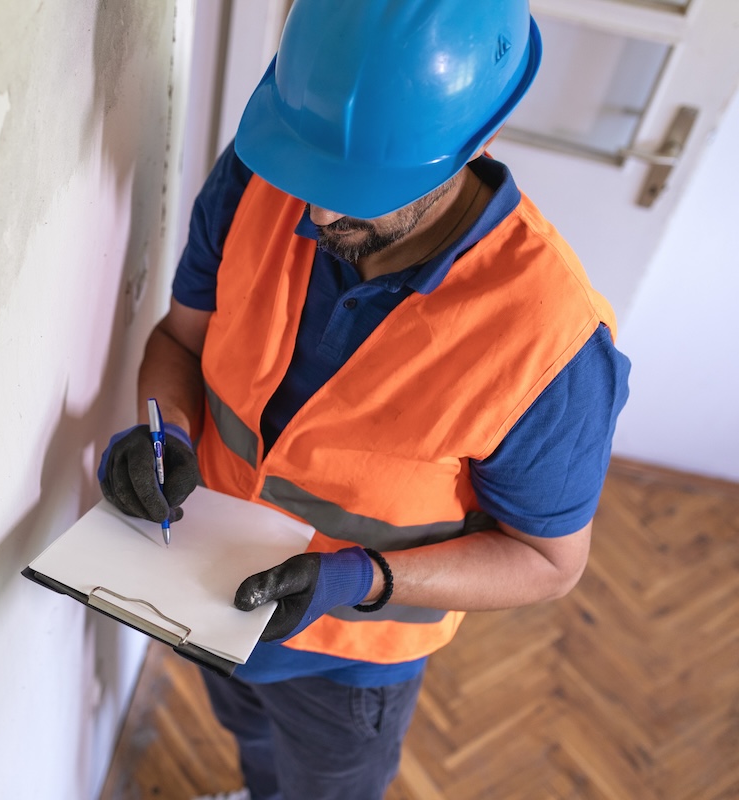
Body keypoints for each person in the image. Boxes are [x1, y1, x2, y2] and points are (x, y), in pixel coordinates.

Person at [97, 1, 631, 798]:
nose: (314, 212)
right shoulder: (264, 172)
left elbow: (547, 563)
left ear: (471, 143)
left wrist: (360, 581)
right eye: (310, 176)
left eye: (357, 191)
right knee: (249, 740)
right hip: (202, 592)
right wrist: (163, 435)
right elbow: (178, 343)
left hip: (350, 664)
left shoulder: (550, 344)